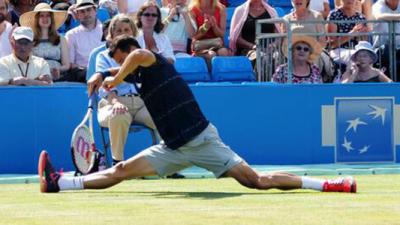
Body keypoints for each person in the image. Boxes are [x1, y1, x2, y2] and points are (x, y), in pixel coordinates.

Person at [38, 35, 356, 194]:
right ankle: (60, 183)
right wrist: (100, 75)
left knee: (257, 181)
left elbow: (135, 56)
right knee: (121, 170)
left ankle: (327, 184)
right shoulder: (137, 75)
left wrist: (113, 78)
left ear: (125, 54)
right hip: (173, 148)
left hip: (203, 141)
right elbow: (123, 67)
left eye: (115, 57)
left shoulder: (153, 60)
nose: (117, 61)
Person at [94, 14, 156, 165]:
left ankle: (169, 165)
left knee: (162, 114)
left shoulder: (142, 55)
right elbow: (105, 87)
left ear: (133, 33)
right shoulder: (102, 56)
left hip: (141, 103)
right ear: (111, 34)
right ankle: (118, 164)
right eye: (119, 30)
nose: (123, 33)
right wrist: (115, 103)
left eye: (127, 29)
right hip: (112, 103)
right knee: (118, 114)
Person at [19, 3, 70, 82]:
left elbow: (66, 65)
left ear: (51, 18)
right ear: (37, 19)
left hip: (58, 78)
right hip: (36, 77)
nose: (45, 18)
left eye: (48, 15)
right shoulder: (30, 39)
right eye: (41, 16)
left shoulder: (61, 39)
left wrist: (58, 70)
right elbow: (27, 62)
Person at [65, 0, 103, 82]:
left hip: (104, 70)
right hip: (82, 73)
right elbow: (71, 64)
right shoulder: (71, 35)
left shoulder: (106, 31)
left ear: (95, 11)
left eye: (88, 10)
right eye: (82, 11)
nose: (86, 14)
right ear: (77, 14)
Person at [189, 0, 230, 70]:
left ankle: (222, 77)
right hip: (200, 46)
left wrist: (214, 26)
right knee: (211, 55)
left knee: (223, 52)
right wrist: (205, 28)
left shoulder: (221, 8)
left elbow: (222, 35)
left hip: (217, 44)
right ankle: (209, 79)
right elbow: (193, 36)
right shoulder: (192, 10)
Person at [327, 0, 369, 65]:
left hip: (357, 50)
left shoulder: (361, 17)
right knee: (354, 56)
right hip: (338, 51)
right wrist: (351, 34)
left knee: (368, 56)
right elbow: (332, 44)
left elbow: (364, 42)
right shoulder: (334, 15)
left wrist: (362, 36)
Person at [372, 0, 400, 81]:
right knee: (387, 50)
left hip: (399, 48)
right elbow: (379, 16)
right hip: (381, 49)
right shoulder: (378, 5)